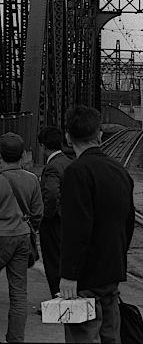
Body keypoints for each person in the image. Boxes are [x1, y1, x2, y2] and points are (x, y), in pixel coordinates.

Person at [59, 106, 135, 343]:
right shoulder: (119, 170)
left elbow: (76, 228)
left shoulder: (76, 172)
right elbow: (129, 222)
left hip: (85, 277)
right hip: (112, 272)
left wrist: (69, 275)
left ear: (68, 138)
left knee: (83, 336)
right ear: (100, 135)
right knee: (111, 336)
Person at [0, 132, 44, 343]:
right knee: (18, 294)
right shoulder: (32, 179)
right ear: (22, 155)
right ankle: (15, 339)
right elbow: (38, 214)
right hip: (22, 238)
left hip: (1, 237)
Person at [37, 126, 73, 298]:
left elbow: (51, 194)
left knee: (52, 260)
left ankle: (57, 297)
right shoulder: (69, 162)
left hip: (55, 222)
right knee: (65, 259)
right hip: (69, 220)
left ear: (43, 146)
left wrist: (47, 216)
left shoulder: (52, 167)